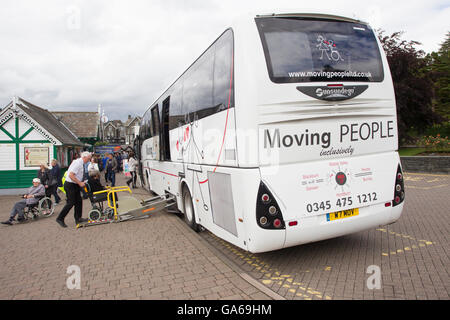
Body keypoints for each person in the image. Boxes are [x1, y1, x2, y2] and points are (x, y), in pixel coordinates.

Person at [56, 151, 92, 228]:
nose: (88, 160)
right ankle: (60, 218)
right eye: (88, 159)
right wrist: (80, 183)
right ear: (84, 157)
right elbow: (71, 175)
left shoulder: (80, 163)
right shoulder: (77, 163)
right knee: (70, 202)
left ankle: (78, 218)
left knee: (79, 201)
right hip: (70, 184)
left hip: (74, 184)